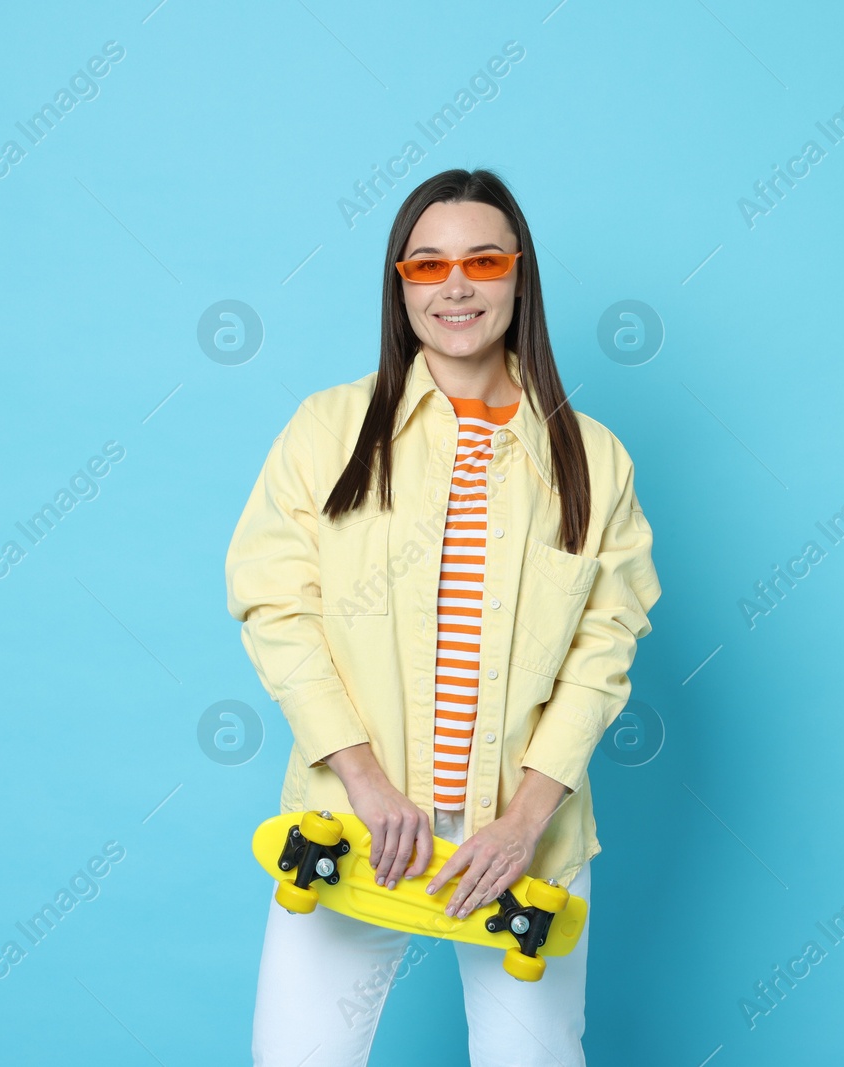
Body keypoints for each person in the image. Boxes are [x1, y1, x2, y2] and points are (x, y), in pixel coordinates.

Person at [226, 167, 661, 1066]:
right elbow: (277, 606)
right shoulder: (328, 429)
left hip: (523, 836)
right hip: (356, 822)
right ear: (400, 285)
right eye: (426, 266)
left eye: (482, 260)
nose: (456, 286)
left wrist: (524, 820)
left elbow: (602, 649)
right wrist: (367, 782)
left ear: (518, 275)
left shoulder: (594, 458)